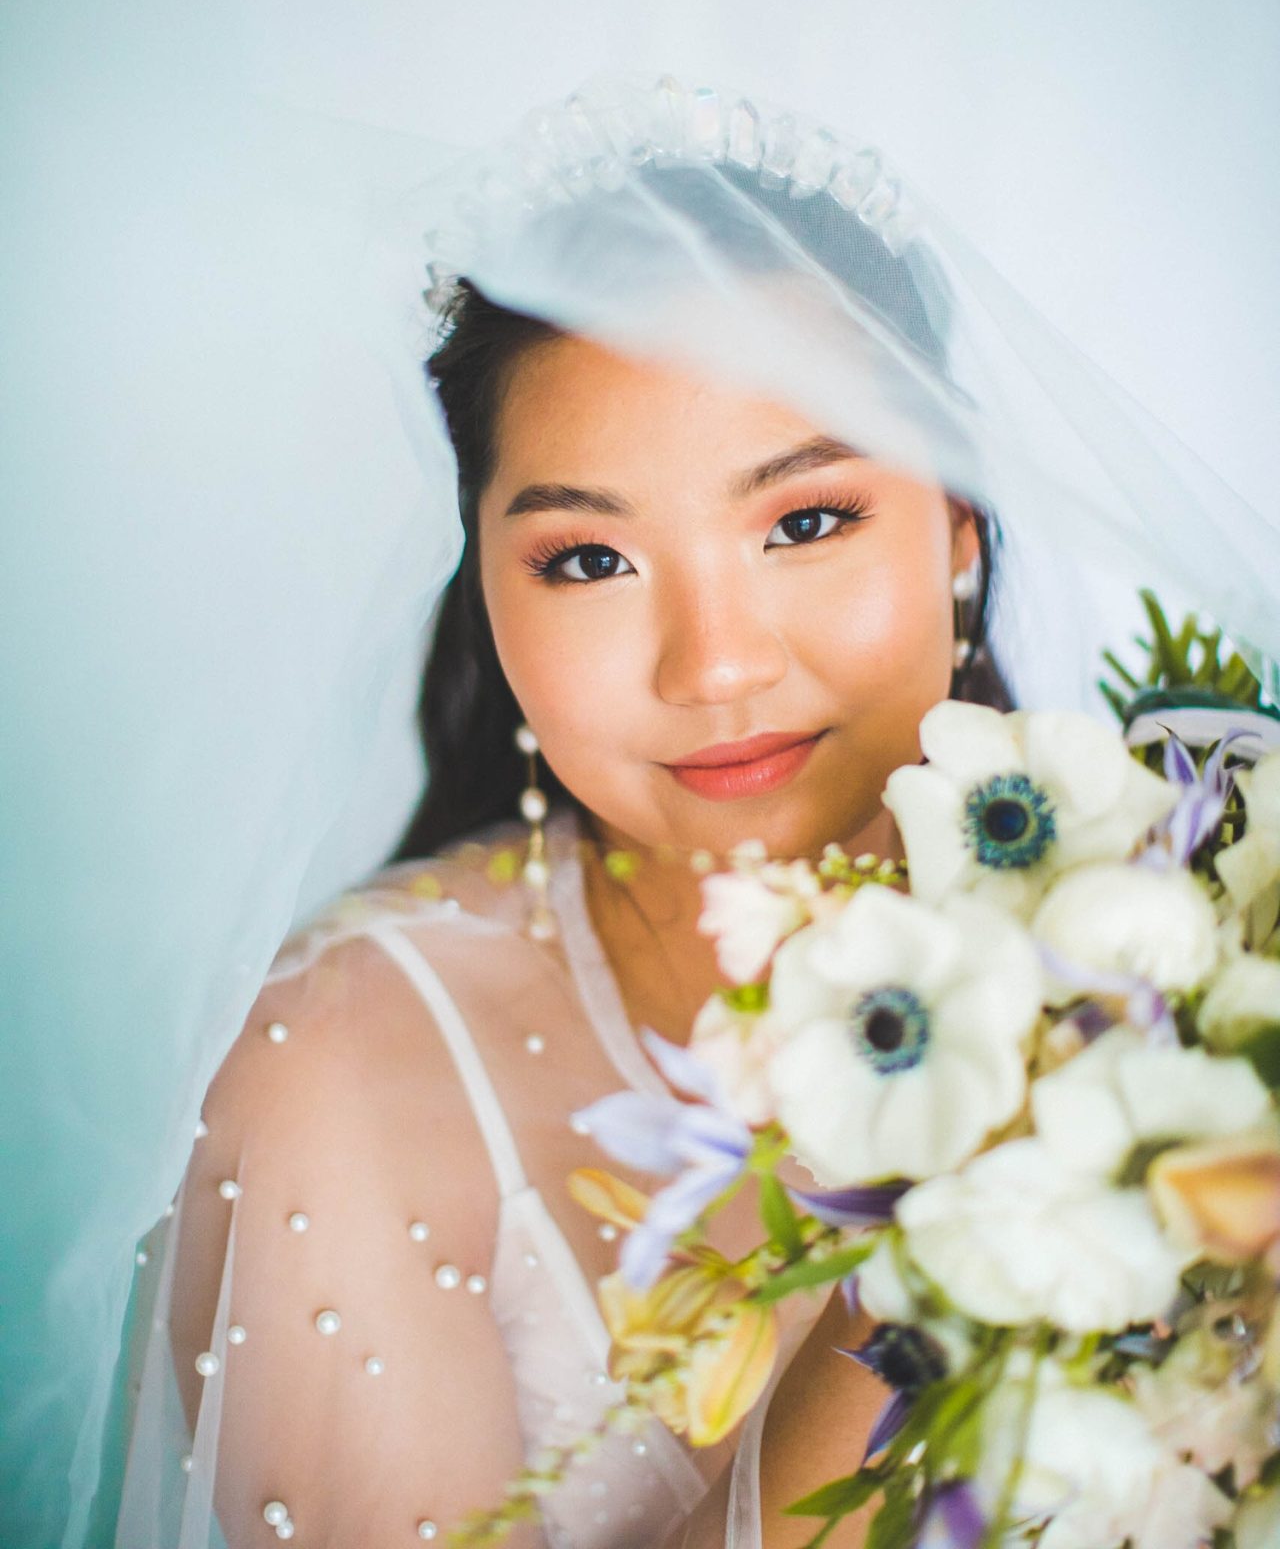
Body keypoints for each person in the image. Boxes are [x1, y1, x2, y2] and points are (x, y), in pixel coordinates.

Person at [113, 76, 1280, 1549]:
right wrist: (942, 1283)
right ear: (481, 583)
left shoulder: (1208, 929)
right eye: (590, 560)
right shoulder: (338, 1065)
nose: (716, 663)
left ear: (960, 528)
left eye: (805, 522)